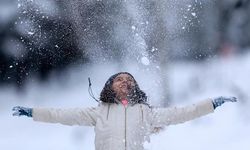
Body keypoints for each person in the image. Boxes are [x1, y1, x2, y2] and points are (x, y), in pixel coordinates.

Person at [12, 72, 237, 150]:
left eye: (129, 80)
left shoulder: (145, 112)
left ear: (135, 87)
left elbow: (181, 113)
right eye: (119, 79)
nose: (125, 82)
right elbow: (61, 115)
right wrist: (33, 112)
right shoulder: (98, 112)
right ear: (109, 86)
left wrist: (211, 104)